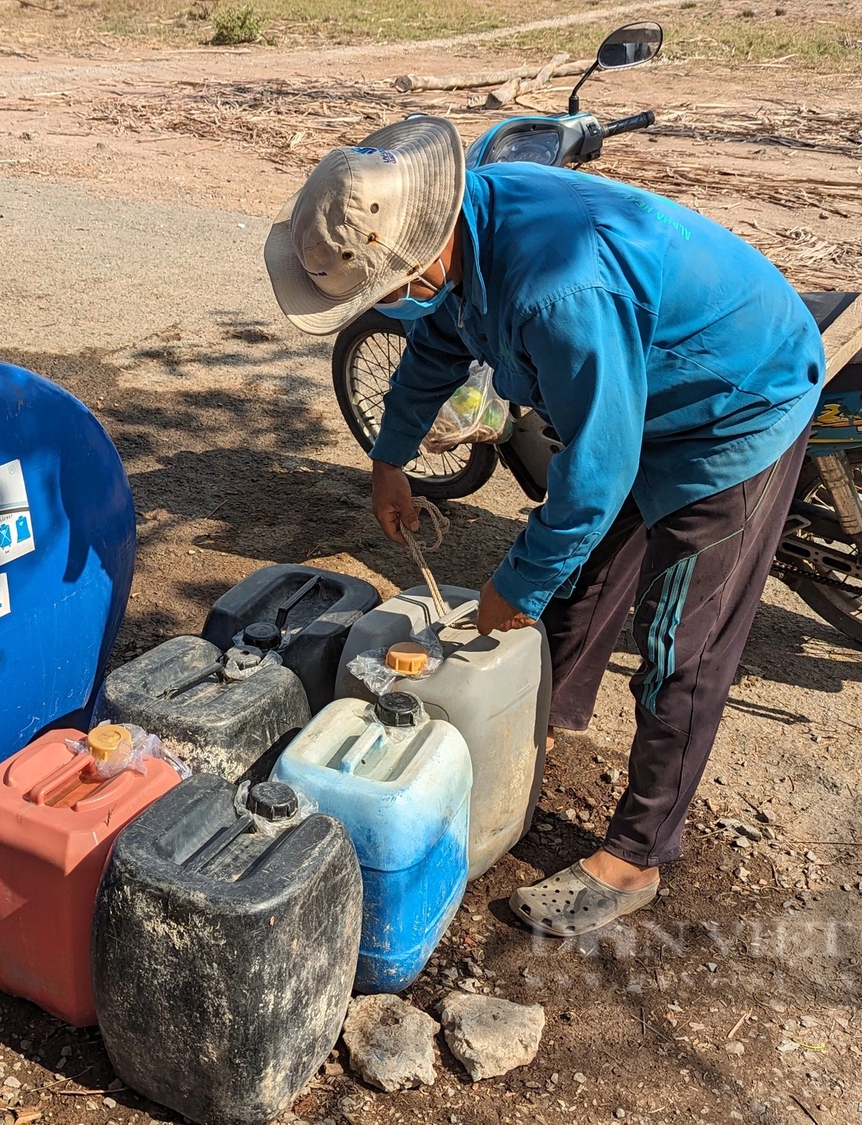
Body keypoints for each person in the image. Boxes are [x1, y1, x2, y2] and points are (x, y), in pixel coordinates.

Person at [262, 117, 825, 938]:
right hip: (642, 399)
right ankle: (532, 735)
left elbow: (595, 477)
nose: (381, 308)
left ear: (415, 261)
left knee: (679, 645)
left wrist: (512, 584)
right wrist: (390, 460)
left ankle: (637, 855)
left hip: (735, 403)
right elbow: (437, 348)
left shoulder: (555, 290)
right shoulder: (467, 235)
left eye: (377, 294)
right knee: (577, 587)